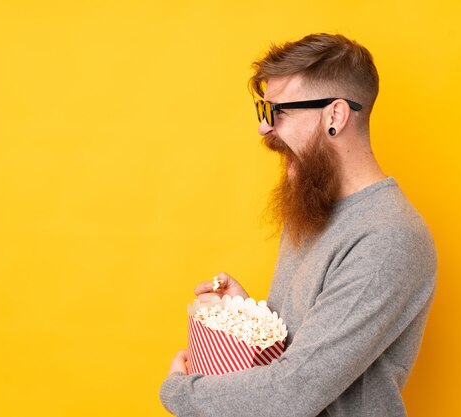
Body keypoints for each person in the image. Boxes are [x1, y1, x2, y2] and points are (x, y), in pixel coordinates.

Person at [160, 33, 437, 417]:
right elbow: (308, 352)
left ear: (335, 116)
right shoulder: (312, 204)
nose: (264, 128)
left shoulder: (389, 236)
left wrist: (181, 393)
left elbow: (293, 392)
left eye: (279, 112)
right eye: (264, 110)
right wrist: (251, 320)